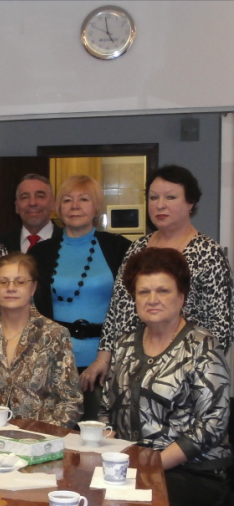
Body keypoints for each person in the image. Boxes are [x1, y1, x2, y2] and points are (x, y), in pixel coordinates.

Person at [83, 165, 234, 392]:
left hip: (182, 375)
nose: (160, 205)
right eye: (153, 198)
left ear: (190, 203)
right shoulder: (137, 248)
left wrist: (201, 371)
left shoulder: (208, 252)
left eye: (170, 197)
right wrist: (104, 358)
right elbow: (117, 309)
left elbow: (221, 326)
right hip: (129, 368)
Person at [98, 248, 231, 506]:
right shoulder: (124, 344)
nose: (152, 300)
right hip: (130, 467)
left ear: (181, 297)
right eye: (144, 292)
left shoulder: (203, 346)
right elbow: (106, 409)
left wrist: (152, 464)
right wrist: (107, 446)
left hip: (192, 472)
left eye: (163, 291)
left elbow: (212, 425)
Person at [28, 175, 131, 419]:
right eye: (67, 200)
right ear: (58, 207)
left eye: (84, 199)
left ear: (96, 207)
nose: (74, 206)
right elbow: (30, 308)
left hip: (106, 363)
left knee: (100, 433)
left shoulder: (119, 248)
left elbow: (129, 309)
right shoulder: (40, 252)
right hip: (52, 362)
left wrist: (105, 358)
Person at [0, 252, 83, 428]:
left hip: (42, 437)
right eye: (3, 282)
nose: (11, 288)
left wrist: (42, 436)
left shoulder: (55, 334)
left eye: (20, 282)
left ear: (33, 288)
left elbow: (71, 402)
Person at [0, 174, 63, 253]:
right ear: (16, 207)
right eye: (25, 197)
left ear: (53, 203)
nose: (32, 203)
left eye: (40, 196)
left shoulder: (69, 242)